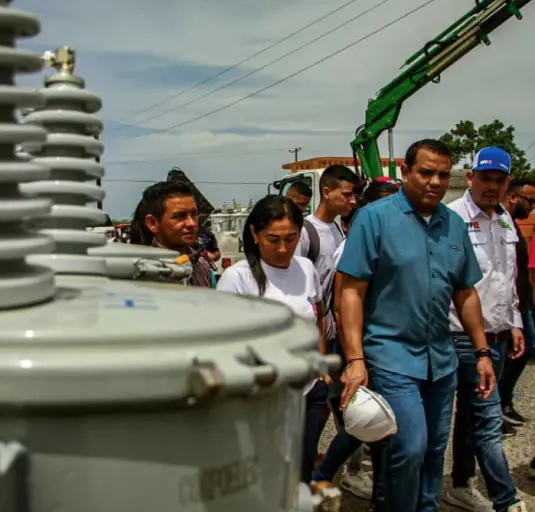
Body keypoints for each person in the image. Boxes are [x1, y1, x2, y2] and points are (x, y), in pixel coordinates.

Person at [337, 139, 494, 512]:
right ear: (405, 173)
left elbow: (466, 293)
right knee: (409, 446)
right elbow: (350, 293)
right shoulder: (374, 218)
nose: (435, 181)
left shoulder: (453, 225)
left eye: (442, 174)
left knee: (434, 449)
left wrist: (483, 351)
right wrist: (355, 360)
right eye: (426, 172)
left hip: (440, 360)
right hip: (391, 355)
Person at [215, 195, 327, 482]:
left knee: (300, 471)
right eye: (272, 239)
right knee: (266, 476)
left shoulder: (305, 268)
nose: (282, 248)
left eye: (291, 239)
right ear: (254, 234)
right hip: (264, 398)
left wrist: (322, 365)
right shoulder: (237, 278)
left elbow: (318, 316)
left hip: (308, 392)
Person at [444, 147, 526, 512]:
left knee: (471, 417)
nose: (491, 186)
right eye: (486, 178)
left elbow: (507, 279)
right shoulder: (451, 218)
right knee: (488, 421)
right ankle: (506, 500)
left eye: (499, 180)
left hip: (498, 335)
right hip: (461, 338)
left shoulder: (505, 219)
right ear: (471, 177)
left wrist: (516, 322)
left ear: (507, 182)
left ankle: (460, 483)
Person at [312, 178, 399, 505]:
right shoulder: (354, 244)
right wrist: (355, 356)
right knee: (367, 420)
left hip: (380, 347)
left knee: (378, 423)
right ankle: (324, 478)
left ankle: (378, 495)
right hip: (360, 349)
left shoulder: (382, 238)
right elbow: (339, 303)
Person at [294, 164, 358, 481]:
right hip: (308, 339)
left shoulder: (337, 231)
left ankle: (311, 461)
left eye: (354, 195)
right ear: (327, 191)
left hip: (331, 337)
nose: (352, 201)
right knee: (310, 406)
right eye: (346, 194)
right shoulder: (304, 233)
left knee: (329, 407)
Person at [499, 179, 535, 430]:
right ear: (513, 197)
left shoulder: (510, 223)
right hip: (511, 306)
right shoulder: (501, 221)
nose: (532, 207)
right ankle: (499, 405)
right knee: (516, 353)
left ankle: (503, 402)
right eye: (529, 200)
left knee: (522, 351)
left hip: (521, 303)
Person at [129, 181, 213, 287]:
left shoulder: (201, 265)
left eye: (194, 214)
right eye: (179, 216)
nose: (191, 223)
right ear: (152, 223)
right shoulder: (142, 271)